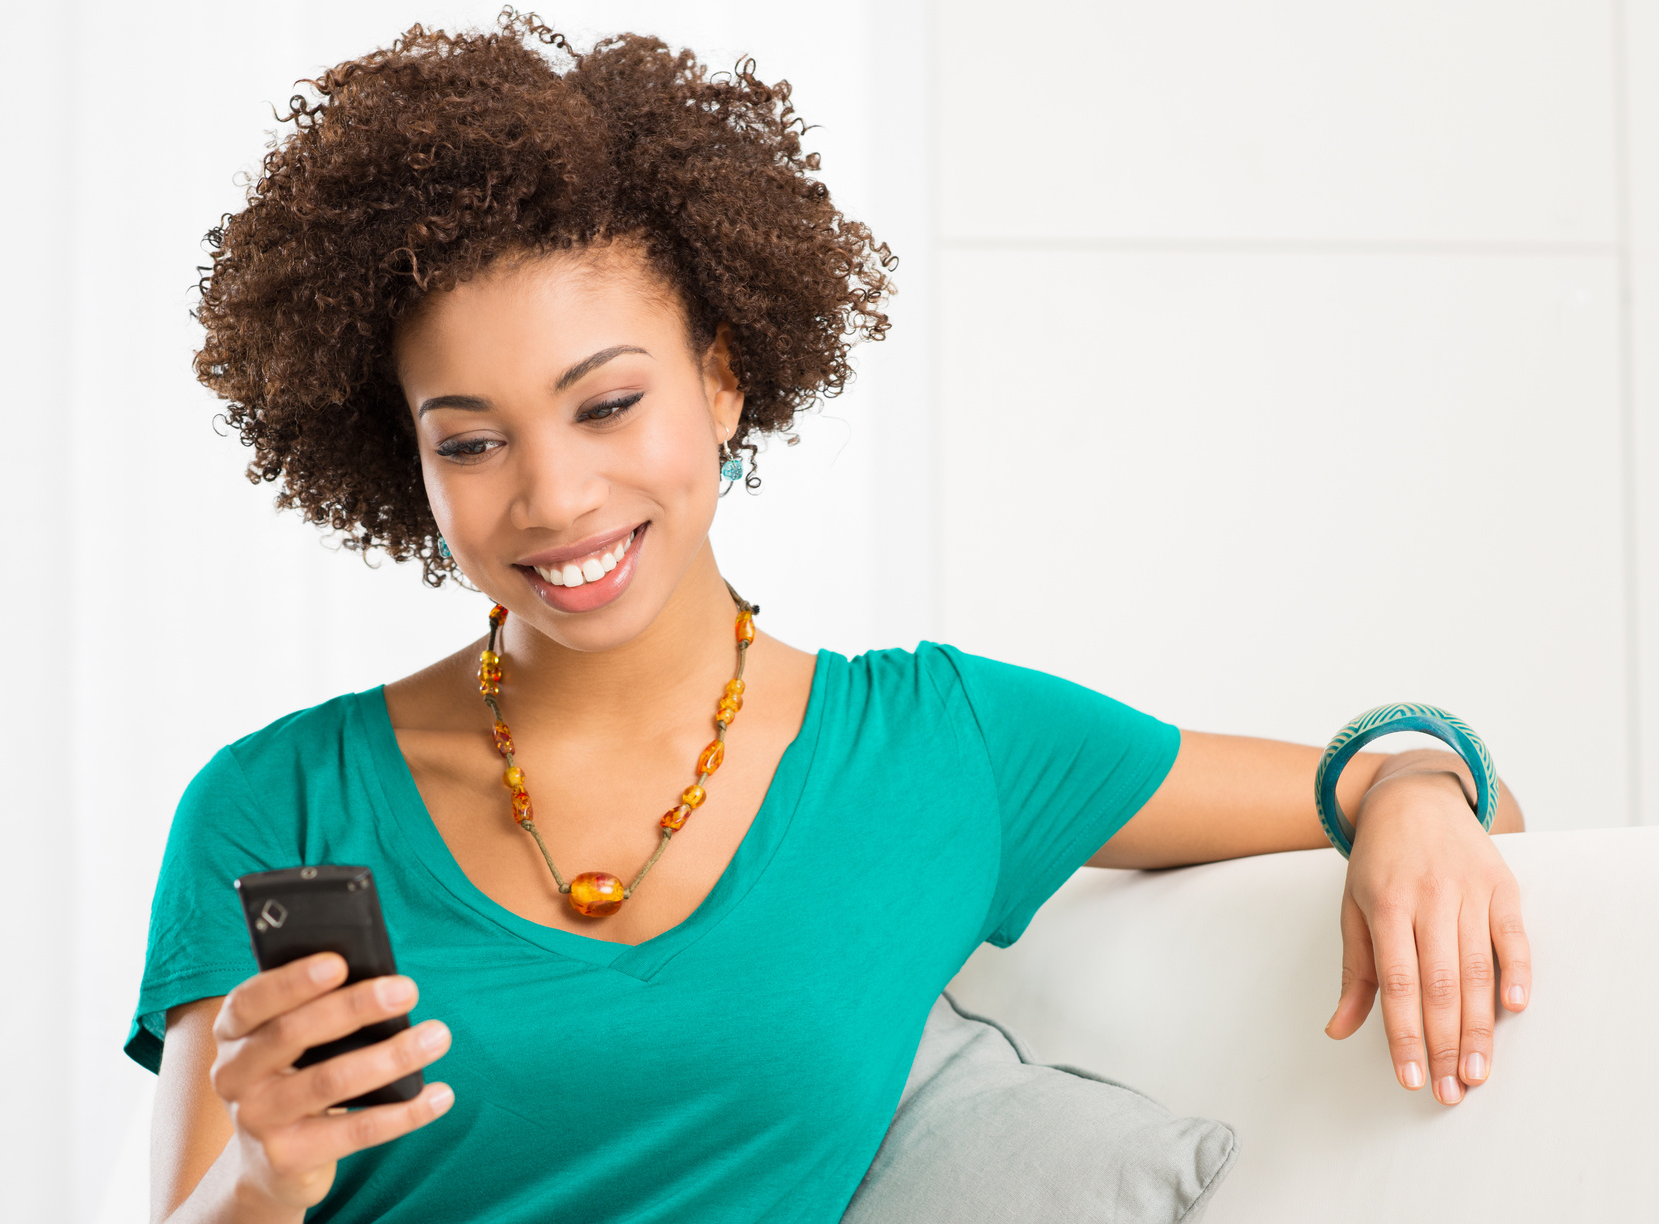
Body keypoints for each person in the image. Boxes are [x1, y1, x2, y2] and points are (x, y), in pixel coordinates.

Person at [131, 15, 1530, 1224]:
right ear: (404, 461)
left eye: (608, 403)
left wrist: (1413, 786)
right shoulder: (273, 808)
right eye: (471, 443)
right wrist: (260, 1176)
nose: (555, 496)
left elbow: (1444, 793)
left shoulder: (939, 747)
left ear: (723, 383)